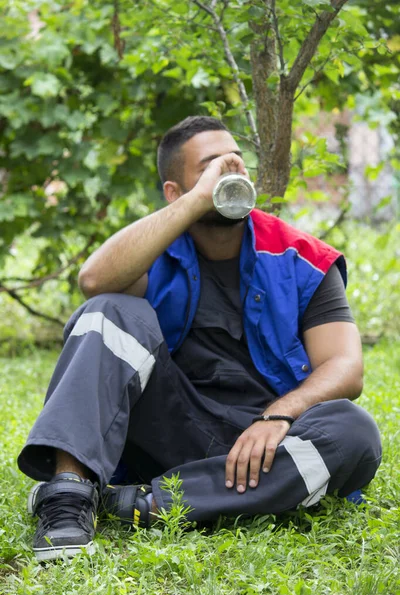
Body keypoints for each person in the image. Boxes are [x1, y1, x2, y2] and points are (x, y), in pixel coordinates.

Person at [18, 116, 382, 561]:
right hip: (167, 429)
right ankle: (69, 496)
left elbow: (346, 367)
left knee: (355, 430)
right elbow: (94, 280)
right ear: (176, 191)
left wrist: (278, 416)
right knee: (108, 311)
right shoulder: (156, 249)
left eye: (236, 163)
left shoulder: (299, 256)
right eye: (212, 166)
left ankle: (141, 504)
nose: (231, 173)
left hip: (261, 446)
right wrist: (193, 204)